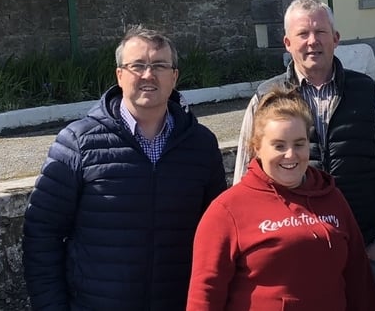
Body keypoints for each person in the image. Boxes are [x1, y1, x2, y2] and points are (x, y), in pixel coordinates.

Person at [23, 25, 227, 311]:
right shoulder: (78, 143)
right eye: (137, 66)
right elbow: (42, 235)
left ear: (174, 76)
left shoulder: (201, 145)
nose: (148, 75)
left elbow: (219, 234)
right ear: (120, 75)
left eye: (159, 65)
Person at [232, 0, 375, 271]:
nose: (312, 41)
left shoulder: (369, 95)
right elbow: (245, 183)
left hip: (363, 249)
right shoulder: (266, 99)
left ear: (336, 38)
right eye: (303, 33)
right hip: (292, 255)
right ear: (288, 43)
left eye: (320, 32)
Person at [188, 89, 375, 311]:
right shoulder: (227, 210)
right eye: (279, 145)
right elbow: (205, 295)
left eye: (299, 144)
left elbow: (359, 281)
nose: (290, 155)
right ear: (257, 148)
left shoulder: (331, 197)